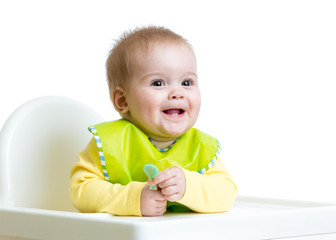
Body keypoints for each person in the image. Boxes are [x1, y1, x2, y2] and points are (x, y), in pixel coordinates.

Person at [69, 26, 237, 217]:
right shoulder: (110, 143)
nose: (177, 93)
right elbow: (80, 190)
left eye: (187, 82)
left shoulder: (200, 147)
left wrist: (188, 185)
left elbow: (227, 192)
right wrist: (133, 198)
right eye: (158, 83)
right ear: (122, 100)